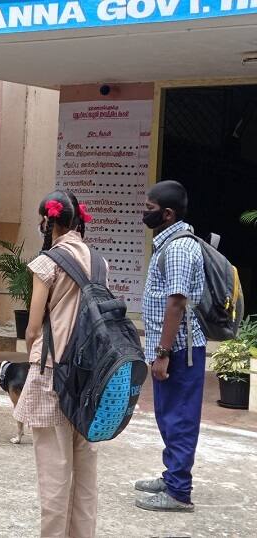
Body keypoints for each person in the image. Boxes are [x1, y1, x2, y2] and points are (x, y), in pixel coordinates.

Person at [14, 190, 99, 538]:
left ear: (48, 221)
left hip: (53, 371)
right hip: (92, 371)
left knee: (54, 470)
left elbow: (33, 327)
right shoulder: (98, 259)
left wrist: (31, 352)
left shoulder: (48, 262)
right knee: (85, 469)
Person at [135, 180, 205, 513]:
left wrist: (162, 353)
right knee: (168, 415)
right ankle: (172, 475)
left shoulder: (177, 247)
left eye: (149, 209)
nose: (143, 213)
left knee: (180, 418)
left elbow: (176, 302)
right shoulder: (169, 243)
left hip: (179, 350)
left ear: (167, 214)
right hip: (170, 349)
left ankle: (179, 491)